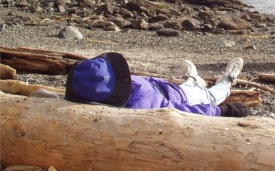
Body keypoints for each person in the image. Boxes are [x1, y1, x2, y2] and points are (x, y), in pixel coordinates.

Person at [64, 52, 249, 117]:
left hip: (171, 89)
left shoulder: (115, 81)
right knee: (211, 95)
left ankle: (192, 77)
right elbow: (182, 111)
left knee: (190, 84)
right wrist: (223, 111)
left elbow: (150, 82)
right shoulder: (142, 105)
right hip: (183, 98)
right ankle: (228, 80)